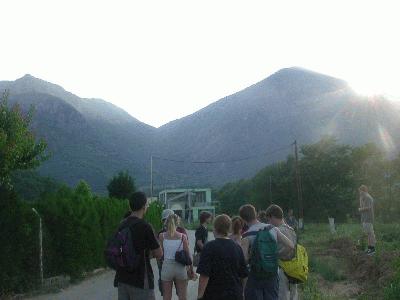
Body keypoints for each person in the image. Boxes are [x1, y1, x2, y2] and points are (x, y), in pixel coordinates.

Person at [240, 204, 294, 300]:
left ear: (243, 220)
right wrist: (276, 255)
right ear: (255, 214)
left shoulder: (246, 235)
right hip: (272, 273)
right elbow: (290, 245)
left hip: (255, 274)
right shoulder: (272, 228)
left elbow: (244, 259)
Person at [115, 192, 163, 300]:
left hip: (122, 278)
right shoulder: (145, 226)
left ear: (130, 206)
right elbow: (159, 253)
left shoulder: (121, 225)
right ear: (144, 206)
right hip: (141, 280)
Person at [197, 214, 248, 300]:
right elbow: (244, 275)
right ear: (229, 228)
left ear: (215, 228)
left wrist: (200, 296)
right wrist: (242, 292)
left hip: (214, 294)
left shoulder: (209, 247)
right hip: (234, 294)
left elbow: (204, 275)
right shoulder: (237, 247)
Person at [266, 205, 298, 300]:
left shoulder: (278, 231)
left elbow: (290, 247)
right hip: (294, 268)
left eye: (269, 219)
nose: (269, 222)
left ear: (273, 217)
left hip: (282, 269)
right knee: (293, 295)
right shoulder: (291, 230)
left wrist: (277, 255)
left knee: (282, 296)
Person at [159, 213, 194, 300]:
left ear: (166, 223)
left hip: (167, 267)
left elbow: (160, 253)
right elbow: (188, 254)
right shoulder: (183, 237)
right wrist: (191, 269)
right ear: (177, 223)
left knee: (166, 296)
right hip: (180, 268)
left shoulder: (162, 236)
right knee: (182, 297)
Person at [358, 185, 376, 255]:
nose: (359, 192)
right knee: (369, 234)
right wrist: (361, 198)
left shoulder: (368, 197)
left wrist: (360, 209)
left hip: (368, 218)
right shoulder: (364, 197)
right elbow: (363, 205)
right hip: (365, 218)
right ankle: (369, 248)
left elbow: (368, 207)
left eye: (360, 191)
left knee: (370, 234)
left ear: (363, 190)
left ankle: (372, 250)